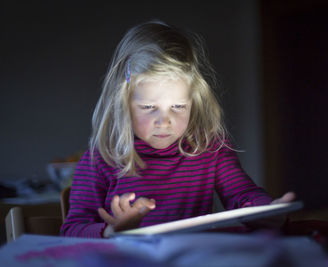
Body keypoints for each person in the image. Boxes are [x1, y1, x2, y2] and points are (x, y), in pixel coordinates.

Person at [60, 20, 295, 238]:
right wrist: (110, 231)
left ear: (194, 100)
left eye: (178, 106)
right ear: (123, 104)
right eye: (149, 107)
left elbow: (243, 195)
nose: (164, 121)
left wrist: (266, 212)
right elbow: (71, 230)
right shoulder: (102, 158)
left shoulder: (209, 147)